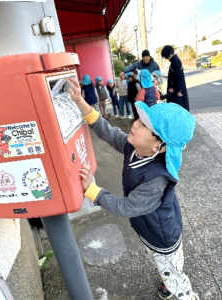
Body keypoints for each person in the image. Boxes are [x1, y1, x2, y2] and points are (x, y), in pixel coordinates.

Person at [67, 77, 199, 300]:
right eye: (139, 119)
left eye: (144, 126)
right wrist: (81, 102)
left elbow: (125, 207)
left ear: (159, 145)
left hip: (162, 237)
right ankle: (167, 281)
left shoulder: (156, 180)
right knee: (160, 265)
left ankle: (184, 294)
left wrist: (92, 189)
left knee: (173, 273)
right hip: (147, 227)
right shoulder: (133, 147)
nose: (134, 124)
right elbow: (107, 131)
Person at [161, 45, 190, 111]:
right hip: (174, 89)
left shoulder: (175, 61)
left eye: (165, 56)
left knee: (178, 108)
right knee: (175, 108)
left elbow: (179, 76)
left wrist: (179, 90)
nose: (166, 58)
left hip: (177, 91)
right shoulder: (174, 61)